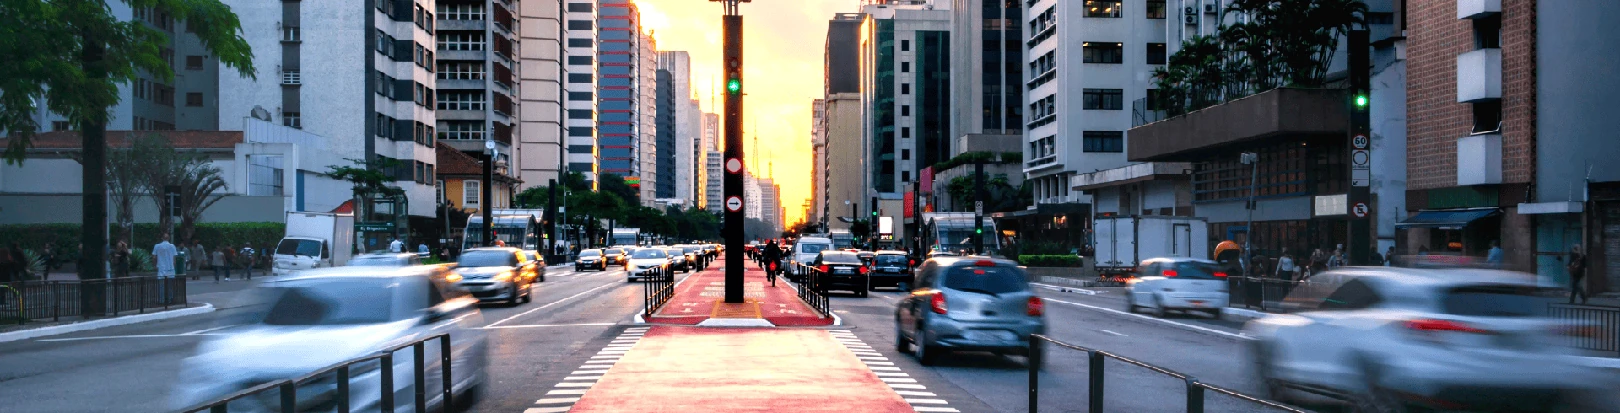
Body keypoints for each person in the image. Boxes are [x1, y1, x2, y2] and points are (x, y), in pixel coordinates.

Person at [153, 235, 178, 303]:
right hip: (170, 268)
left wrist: (155, 265)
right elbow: (174, 259)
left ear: (162, 238)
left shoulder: (157, 246)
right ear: (169, 238)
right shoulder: (172, 246)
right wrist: (173, 266)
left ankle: (162, 300)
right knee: (170, 285)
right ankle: (170, 299)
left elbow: (154, 257)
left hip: (161, 268)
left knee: (161, 285)